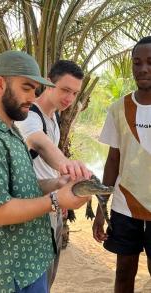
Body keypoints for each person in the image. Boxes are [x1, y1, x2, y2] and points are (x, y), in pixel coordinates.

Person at [0, 51, 91, 293]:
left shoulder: (9, 132)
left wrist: (56, 183)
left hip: (31, 263)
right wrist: (56, 200)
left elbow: (20, 188)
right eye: (27, 88)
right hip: (11, 273)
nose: (33, 97)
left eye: (36, 90)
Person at [16, 60, 92, 289]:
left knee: (48, 277)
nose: (69, 98)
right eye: (65, 90)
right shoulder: (30, 117)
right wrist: (68, 166)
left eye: (75, 93)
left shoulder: (54, 117)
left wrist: (63, 193)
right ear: (48, 83)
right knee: (36, 279)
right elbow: (38, 143)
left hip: (54, 204)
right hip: (35, 208)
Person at [92, 36, 151, 293]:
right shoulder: (118, 108)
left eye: (150, 62)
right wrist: (101, 209)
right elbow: (112, 161)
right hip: (125, 208)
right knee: (124, 272)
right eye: (137, 63)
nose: (143, 69)